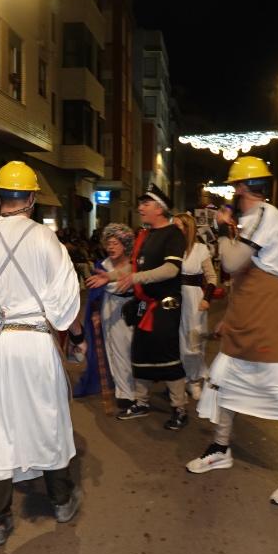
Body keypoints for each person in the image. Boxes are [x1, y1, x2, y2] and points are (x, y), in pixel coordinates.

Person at [0, 161, 82, 547]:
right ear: (32, 199)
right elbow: (66, 304)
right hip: (33, 341)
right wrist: (77, 334)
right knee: (48, 418)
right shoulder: (45, 239)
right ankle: (60, 500)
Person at [186, 156, 278, 506]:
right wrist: (232, 317)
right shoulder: (254, 218)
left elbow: (233, 262)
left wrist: (224, 229)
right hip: (248, 308)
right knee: (224, 379)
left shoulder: (267, 216)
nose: (234, 194)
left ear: (242, 187)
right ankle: (221, 448)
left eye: (235, 187)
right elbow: (241, 273)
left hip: (265, 311)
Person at [95, 183, 189, 429]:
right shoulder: (145, 235)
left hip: (166, 305)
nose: (140, 208)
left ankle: (180, 408)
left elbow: (171, 269)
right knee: (140, 352)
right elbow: (135, 268)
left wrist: (135, 279)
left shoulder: (173, 234)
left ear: (160, 208)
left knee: (167, 355)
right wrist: (111, 276)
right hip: (144, 305)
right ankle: (141, 402)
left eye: (145, 204)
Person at [80, 223, 136, 405]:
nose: (111, 247)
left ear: (125, 244)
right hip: (108, 309)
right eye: (109, 243)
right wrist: (95, 311)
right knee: (114, 350)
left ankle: (131, 389)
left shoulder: (134, 265)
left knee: (128, 350)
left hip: (129, 310)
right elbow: (95, 294)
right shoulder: (102, 266)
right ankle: (124, 393)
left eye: (116, 243)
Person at [173, 212, 218, 400]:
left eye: (178, 226)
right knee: (176, 343)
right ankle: (178, 380)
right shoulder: (170, 248)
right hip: (174, 300)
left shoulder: (200, 250)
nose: (173, 229)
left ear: (187, 228)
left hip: (194, 301)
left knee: (194, 342)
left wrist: (206, 298)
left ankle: (194, 380)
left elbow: (212, 277)